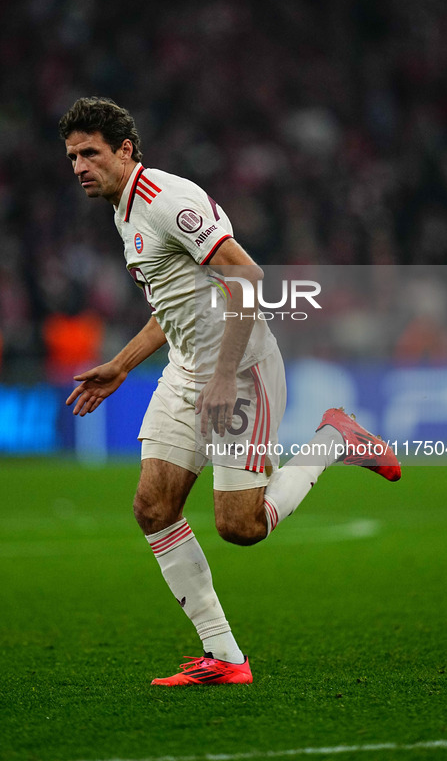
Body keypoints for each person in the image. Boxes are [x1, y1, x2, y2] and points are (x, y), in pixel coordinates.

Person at [60, 97, 400, 686]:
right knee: (152, 507)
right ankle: (225, 658)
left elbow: (247, 277)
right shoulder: (122, 212)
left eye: (90, 153)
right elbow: (173, 308)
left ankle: (333, 438)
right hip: (187, 370)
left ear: (125, 151)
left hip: (239, 371)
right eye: (71, 156)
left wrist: (222, 376)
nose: (79, 166)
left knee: (240, 527)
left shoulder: (164, 201)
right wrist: (120, 364)